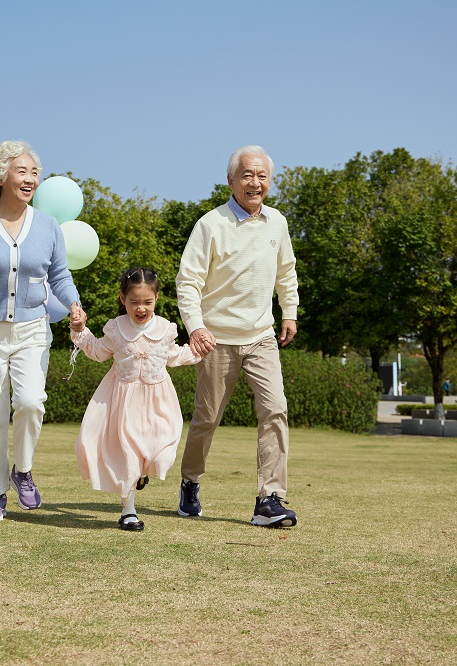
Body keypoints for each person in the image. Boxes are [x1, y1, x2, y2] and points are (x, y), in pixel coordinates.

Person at [0, 140, 82, 521]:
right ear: (1, 176)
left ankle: (22, 471)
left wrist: (74, 304)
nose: (30, 179)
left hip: (32, 330)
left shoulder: (48, 226)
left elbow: (60, 275)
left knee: (31, 402)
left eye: (34, 173)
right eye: (22, 171)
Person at [175, 145, 301, 528]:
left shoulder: (278, 223)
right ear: (231, 180)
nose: (255, 182)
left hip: (261, 336)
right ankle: (190, 482)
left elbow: (287, 272)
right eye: (247, 174)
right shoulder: (210, 224)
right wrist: (196, 326)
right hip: (216, 339)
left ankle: (269, 499)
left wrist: (290, 311)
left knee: (275, 410)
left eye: (262, 176)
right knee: (207, 418)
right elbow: (188, 281)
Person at [68, 268, 202, 531]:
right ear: (123, 299)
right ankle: (128, 511)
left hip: (158, 403)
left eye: (147, 302)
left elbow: (173, 355)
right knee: (128, 456)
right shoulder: (117, 328)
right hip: (123, 402)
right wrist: (81, 331)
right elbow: (98, 351)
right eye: (134, 302)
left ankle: (141, 474)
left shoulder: (165, 328)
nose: (141, 308)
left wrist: (199, 350)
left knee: (162, 456)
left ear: (157, 298)